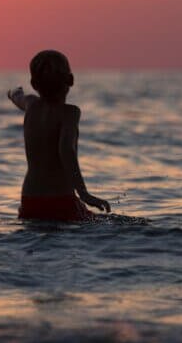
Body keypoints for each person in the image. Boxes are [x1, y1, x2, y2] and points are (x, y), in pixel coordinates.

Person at [8, 50, 111, 222]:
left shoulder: (31, 104)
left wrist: (13, 92)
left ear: (34, 84)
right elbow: (66, 150)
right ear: (70, 80)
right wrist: (83, 193)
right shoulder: (69, 113)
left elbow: (17, 97)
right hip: (60, 200)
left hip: (30, 200)